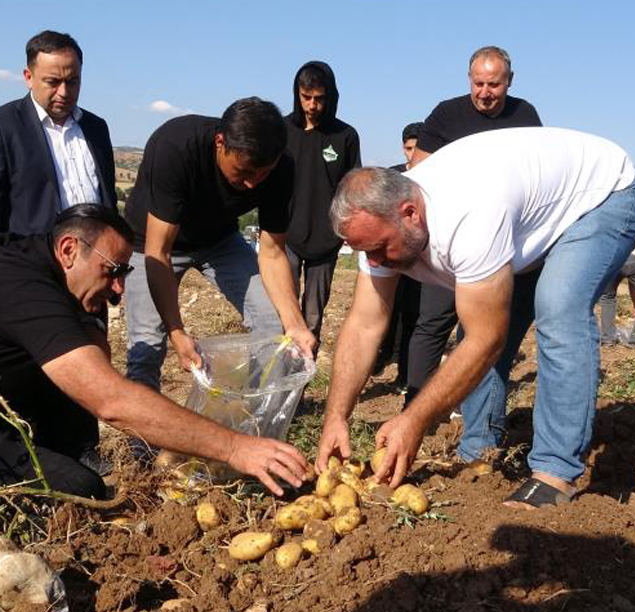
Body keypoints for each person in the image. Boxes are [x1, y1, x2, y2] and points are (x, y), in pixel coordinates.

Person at [0, 204, 307, 498]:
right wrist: (236, 447)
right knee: (81, 489)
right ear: (68, 249)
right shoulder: (25, 291)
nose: (121, 289)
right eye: (113, 271)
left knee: (69, 425)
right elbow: (112, 401)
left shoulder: (24, 261)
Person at [314, 128, 635, 510]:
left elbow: (486, 339)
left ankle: (555, 472)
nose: (374, 262)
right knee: (477, 319)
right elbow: (363, 324)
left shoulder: (468, 214)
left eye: (377, 249)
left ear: (410, 213)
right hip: (532, 218)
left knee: (558, 307)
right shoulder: (377, 227)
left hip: (604, 196)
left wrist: (414, 420)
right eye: (364, 251)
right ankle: (479, 450)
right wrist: (336, 416)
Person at [123, 97, 315, 391]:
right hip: (151, 244)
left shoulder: (281, 167)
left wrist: (295, 323)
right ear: (219, 142)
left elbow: (273, 253)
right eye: (244, 173)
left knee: (272, 317)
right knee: (147, 342)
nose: (252, 184)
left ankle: (257, 413)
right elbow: (158, 252)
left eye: (262, 174)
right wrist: (177, 332)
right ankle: (141, 434)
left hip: (219, 240)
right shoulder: (176, 146)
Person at [404, 46, 542, 407]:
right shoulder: (447, 115)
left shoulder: (525, 116)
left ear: (509, 82)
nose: (485, 93)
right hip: (449, 238)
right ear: (469, 80)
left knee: (485, 330)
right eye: (478, 83)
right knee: (433, 322)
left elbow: (536, 177)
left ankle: (471, 414)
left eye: (494, 85)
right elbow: (418, 174)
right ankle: (416, 401)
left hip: (500, 242)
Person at [0, 30, 117, 244]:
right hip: (31, 265)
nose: (64, 92)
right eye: (53, 82)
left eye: (73, 82)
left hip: (95, 263)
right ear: (28, 77)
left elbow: (108, 200)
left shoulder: (96, 128)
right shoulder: (1, 125)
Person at [283, 61, 361, 350]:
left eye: (319, 98)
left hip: (326, 241)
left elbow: (352, 188)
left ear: (330, 97)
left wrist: (344, 230)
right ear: (297, 94)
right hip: (286, 237)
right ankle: (280, 388)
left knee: (312, 318)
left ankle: (300, 390)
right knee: (285, 315)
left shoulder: (345, 136)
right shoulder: (282, 131)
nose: (312, 105)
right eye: (306, 97)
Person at [373, 122, 425, 384]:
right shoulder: (392, 178)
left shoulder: (430, 180)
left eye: (416, 148)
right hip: (392, 262)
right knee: (386, 309)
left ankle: (405, 375)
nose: (411, 154)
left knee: (413, 316)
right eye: (407, 148)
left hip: (418, 263)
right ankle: (380, 358)